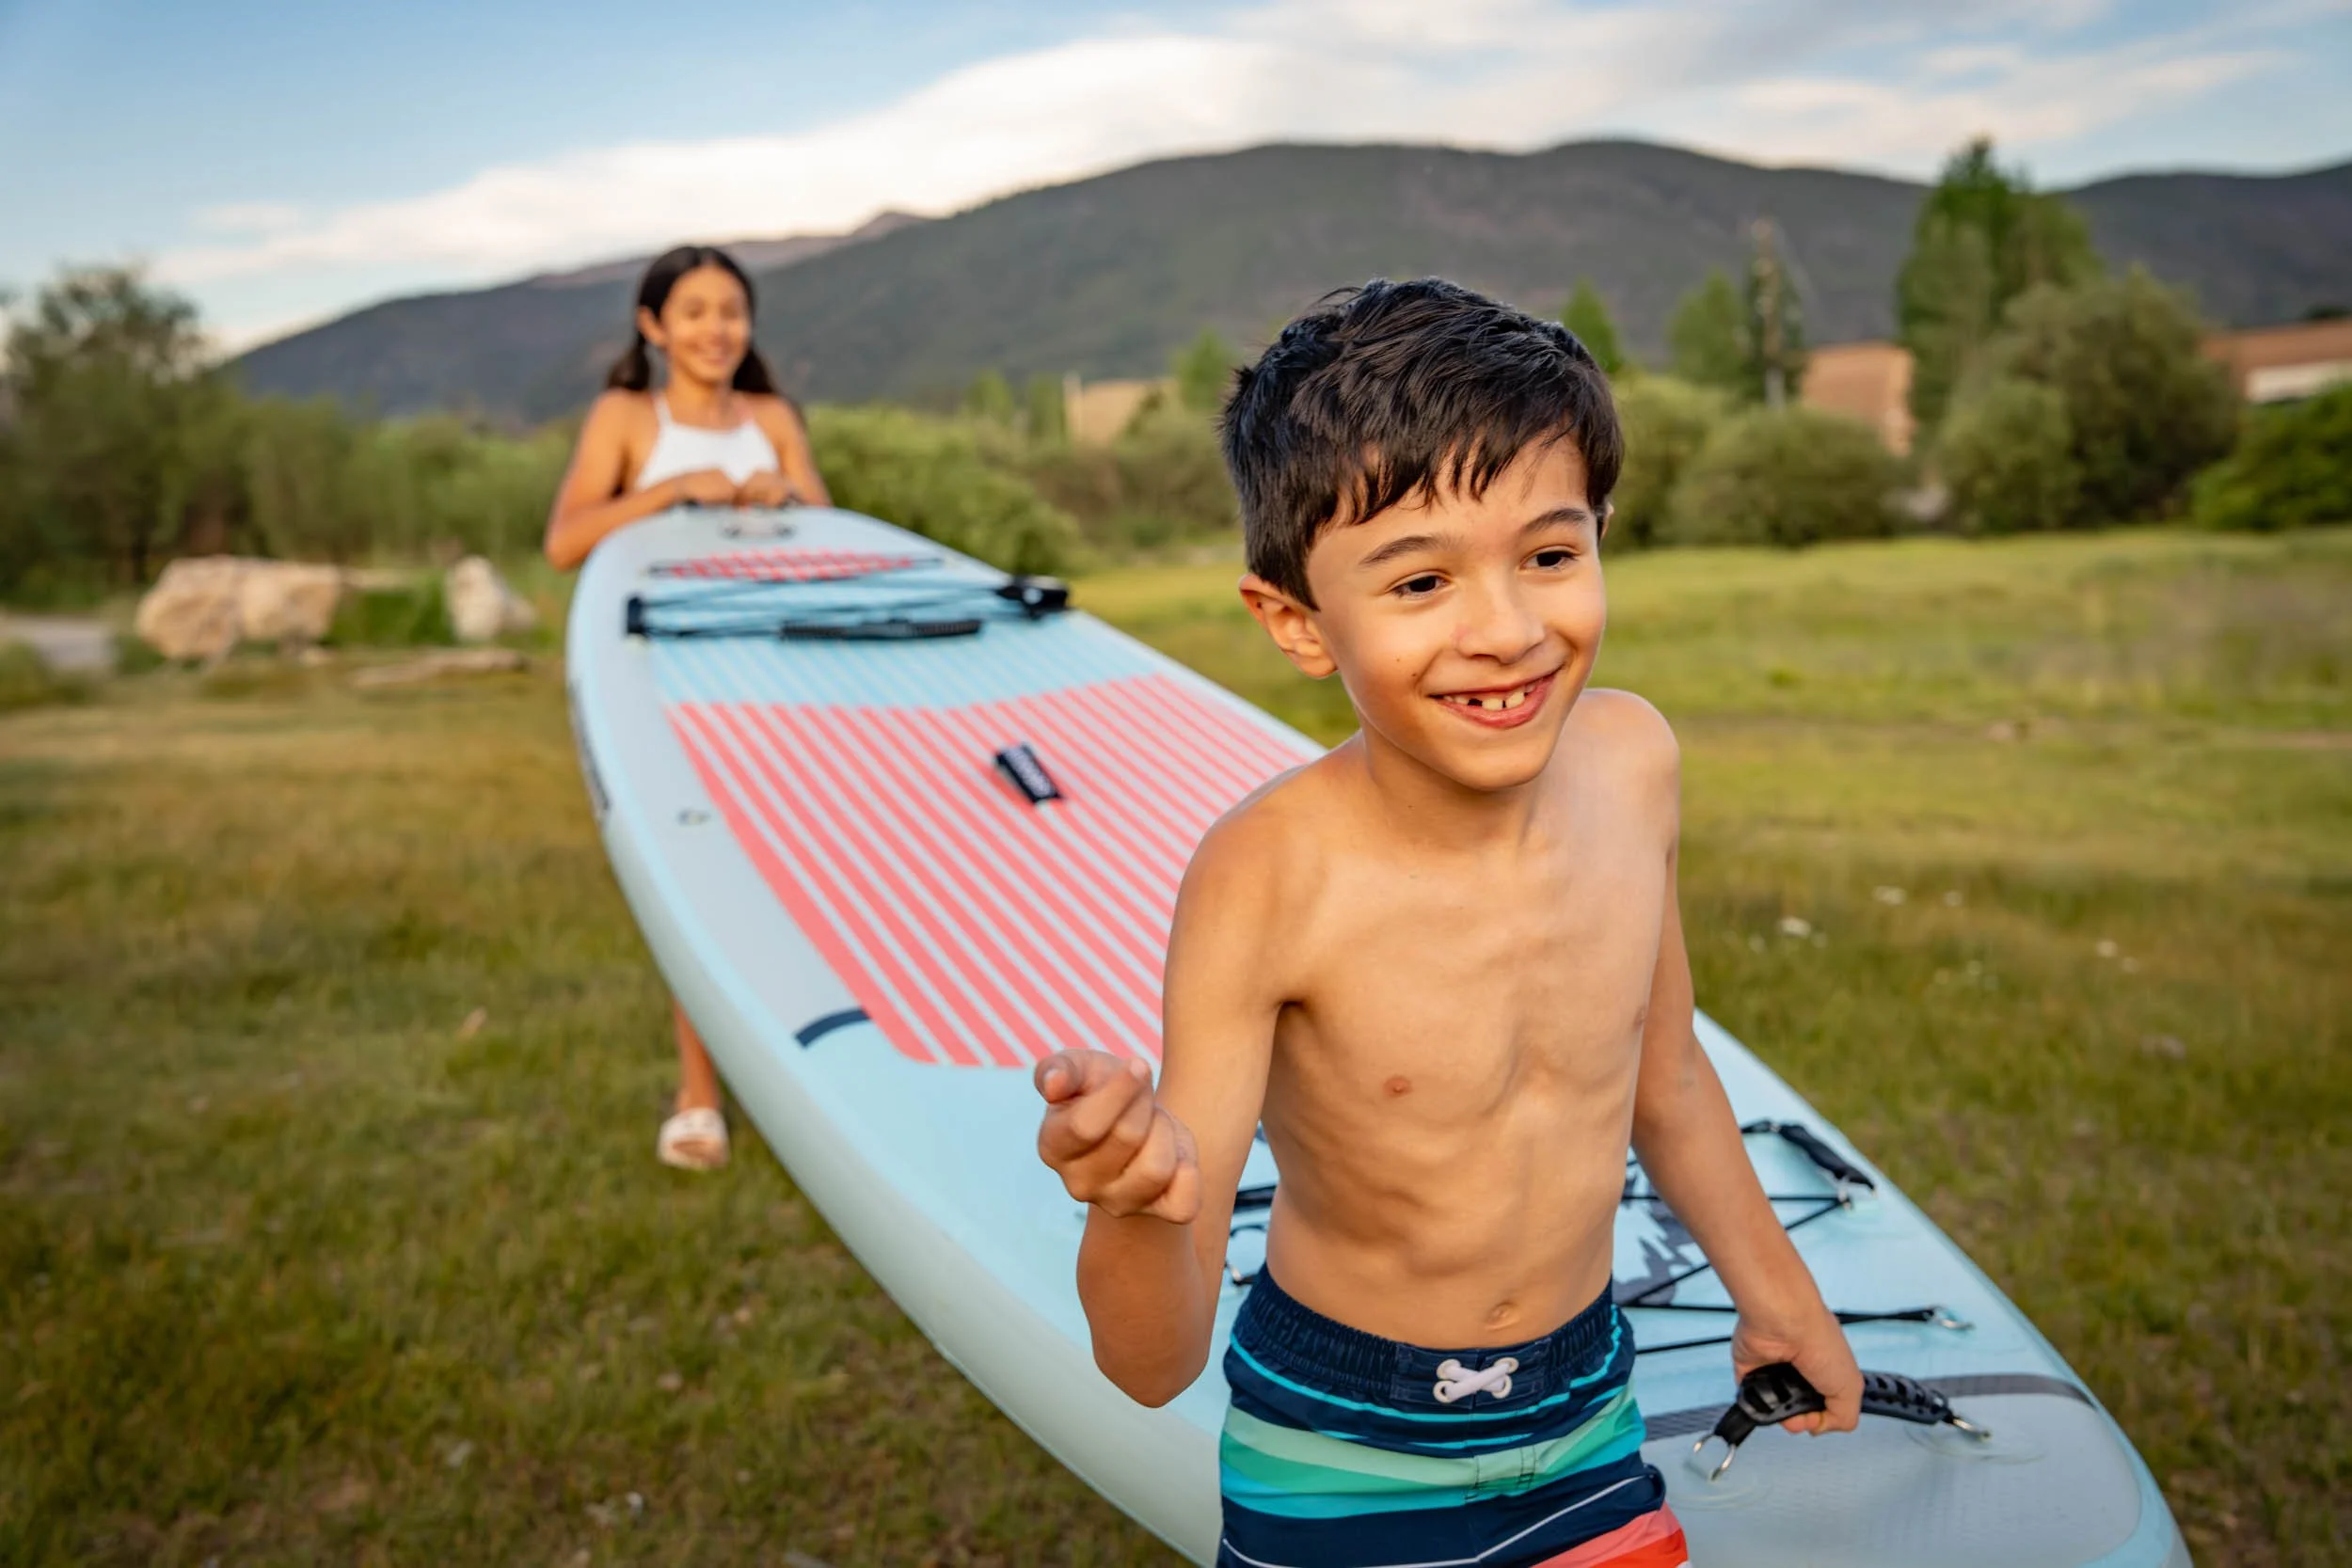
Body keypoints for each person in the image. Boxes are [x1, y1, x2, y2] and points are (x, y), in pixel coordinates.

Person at [1031, 279, 1861, 1566]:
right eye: (1421, 579)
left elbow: (1666, 1073)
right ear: (1297, 621)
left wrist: (1780, 1293)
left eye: (1550, 554)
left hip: (1585, 1408)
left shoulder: (1633, 763)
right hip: (1337, 1451)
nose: (1508, 631)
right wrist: (1134, 1203)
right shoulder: (1268, 877)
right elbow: (1151, 1364)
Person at [545, 243, 830, 1172]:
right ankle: (698, 1093)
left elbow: (829, 537)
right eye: (695, 311)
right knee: (700, 875)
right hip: (666, 674)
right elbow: (565, 541)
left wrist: (787, 496)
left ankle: (806, 1064)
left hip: (775, 665)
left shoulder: (772, 418)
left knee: (787, 870)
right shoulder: (629, 416)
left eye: (731, 311)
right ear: (654, 325)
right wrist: (673, 492)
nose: (717, 329)